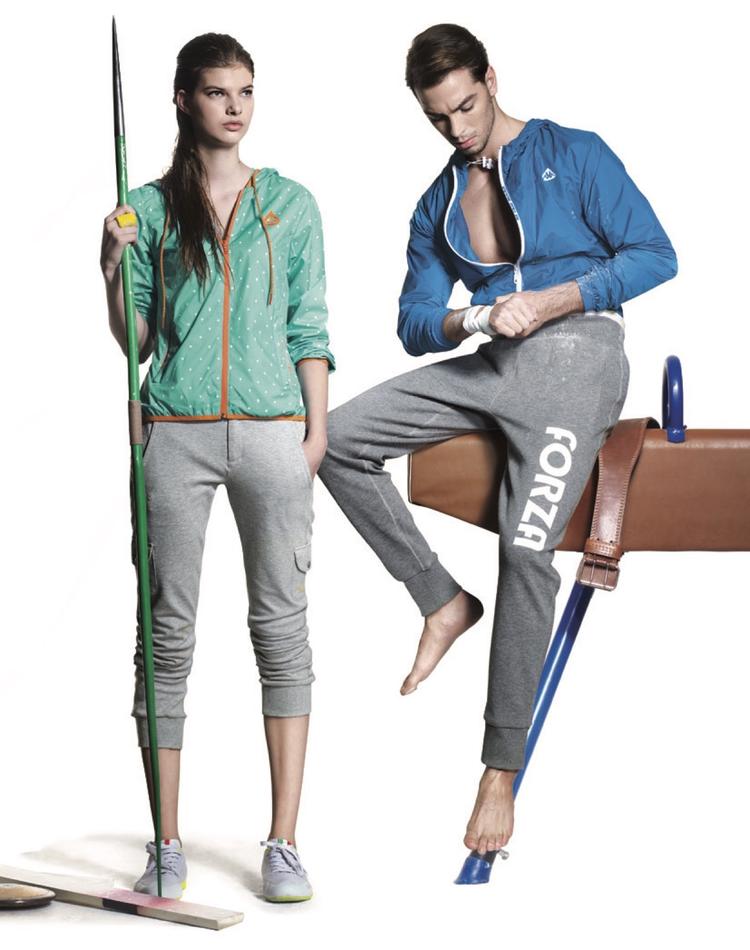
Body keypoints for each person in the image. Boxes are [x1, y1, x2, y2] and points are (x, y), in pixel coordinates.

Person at [317, 23, 676, 858]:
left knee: (525, 547)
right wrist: (476, 318)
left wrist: (556, 300)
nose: (458, 128)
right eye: (438, 117)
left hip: (577, 360)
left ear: (490, 78)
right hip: (493, 361)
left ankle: (498, 772)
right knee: (333, 439)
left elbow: (655, 254)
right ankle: (441, 599)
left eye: (467, 106)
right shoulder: (436, 204)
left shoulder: (574, 152)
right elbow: (414, 321)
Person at [100, 33, 334, 902]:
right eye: (216, 92)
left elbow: (309, 325)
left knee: (282, 628)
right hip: (176, 432)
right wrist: (112, 267)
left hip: (275, 434)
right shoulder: (148, 210)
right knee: (165, 634)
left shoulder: (291, 205)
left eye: (244, 91)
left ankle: (285, 842)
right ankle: (166, 843)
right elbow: (138, 340)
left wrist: (315, 434)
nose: (234, 107)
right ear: (182, 100)